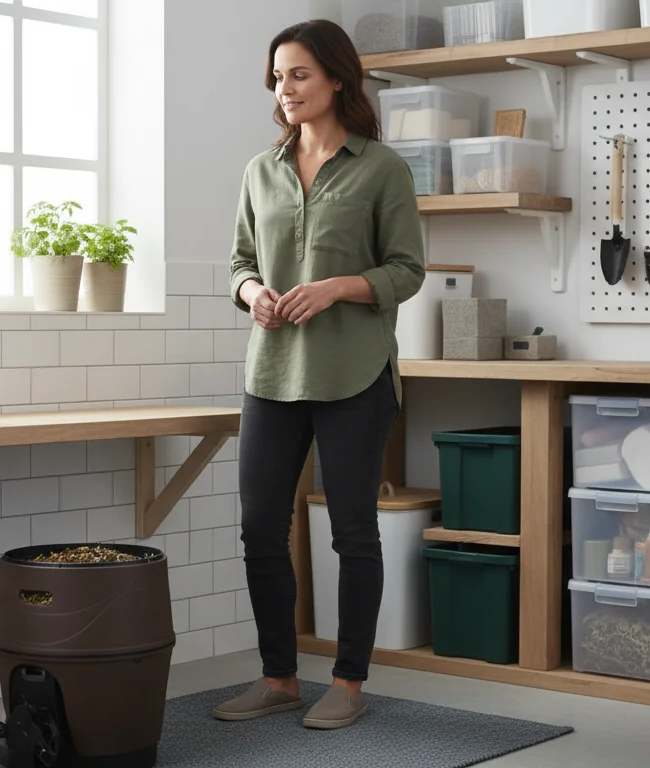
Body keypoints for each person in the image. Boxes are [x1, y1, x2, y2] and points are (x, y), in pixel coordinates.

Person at [212, 18, 425, 731]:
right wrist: (253, 295)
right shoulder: (259, 171)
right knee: (259, 531)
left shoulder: (382, 168)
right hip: (271, 372)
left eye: (299, 73)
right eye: (277, 76)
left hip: (354, 373)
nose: (285, 87)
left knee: (353, 533)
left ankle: (349, 681)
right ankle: (278, 678)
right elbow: (241, 262)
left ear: (337, 78)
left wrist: (337, 287)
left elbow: (407, 270)